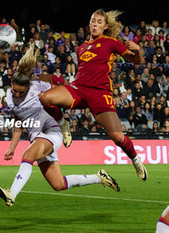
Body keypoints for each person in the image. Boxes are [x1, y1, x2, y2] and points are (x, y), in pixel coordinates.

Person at [0, 44, 119, 207]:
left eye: (20, 92)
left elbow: (61, 95)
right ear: (11, 83)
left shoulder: (38, 88)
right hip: (36, 138)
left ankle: (11, 194)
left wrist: (64, 120)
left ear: (28, 86)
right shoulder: (10, 99)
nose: (16, 94)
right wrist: (12, 148)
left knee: (28, 155)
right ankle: (99, 177)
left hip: (50, 132)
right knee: (58, 184)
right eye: (14, 90)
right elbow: (18, 123)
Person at [39, 9, 148, 181]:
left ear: (105, 26)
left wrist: (138, 49)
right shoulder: (81, 48)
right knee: (44, 97)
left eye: (99, 22)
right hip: (79, 89)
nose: (95, 24)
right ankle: (63, 125)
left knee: (118, 137)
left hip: (100, 93)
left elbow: (136, 61)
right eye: (92, 21)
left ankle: (136, 160)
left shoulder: (111, 42)